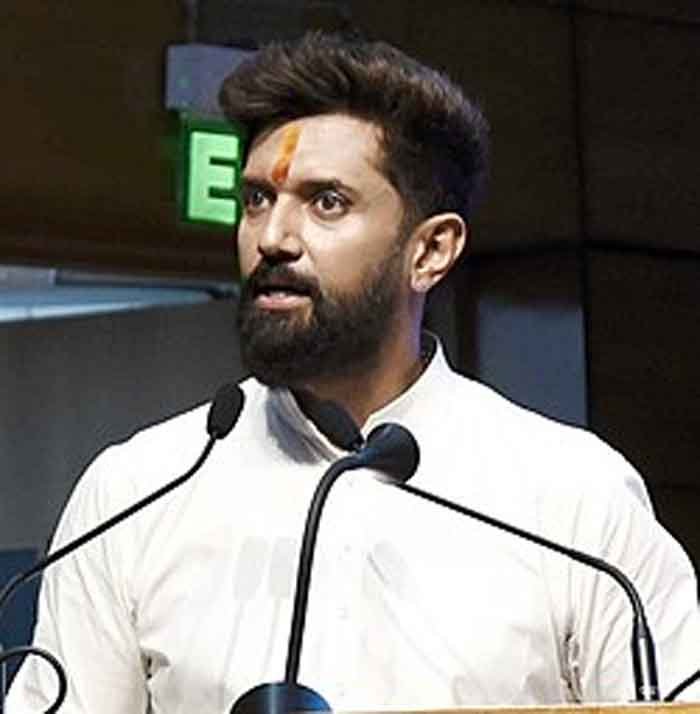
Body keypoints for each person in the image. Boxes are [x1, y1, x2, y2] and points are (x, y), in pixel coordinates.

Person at [8, 31, 700, 713]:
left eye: (326, 203)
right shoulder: (137, 492)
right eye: (256, 200)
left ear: (430, 251)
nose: (272, 238)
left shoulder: (573, 499)